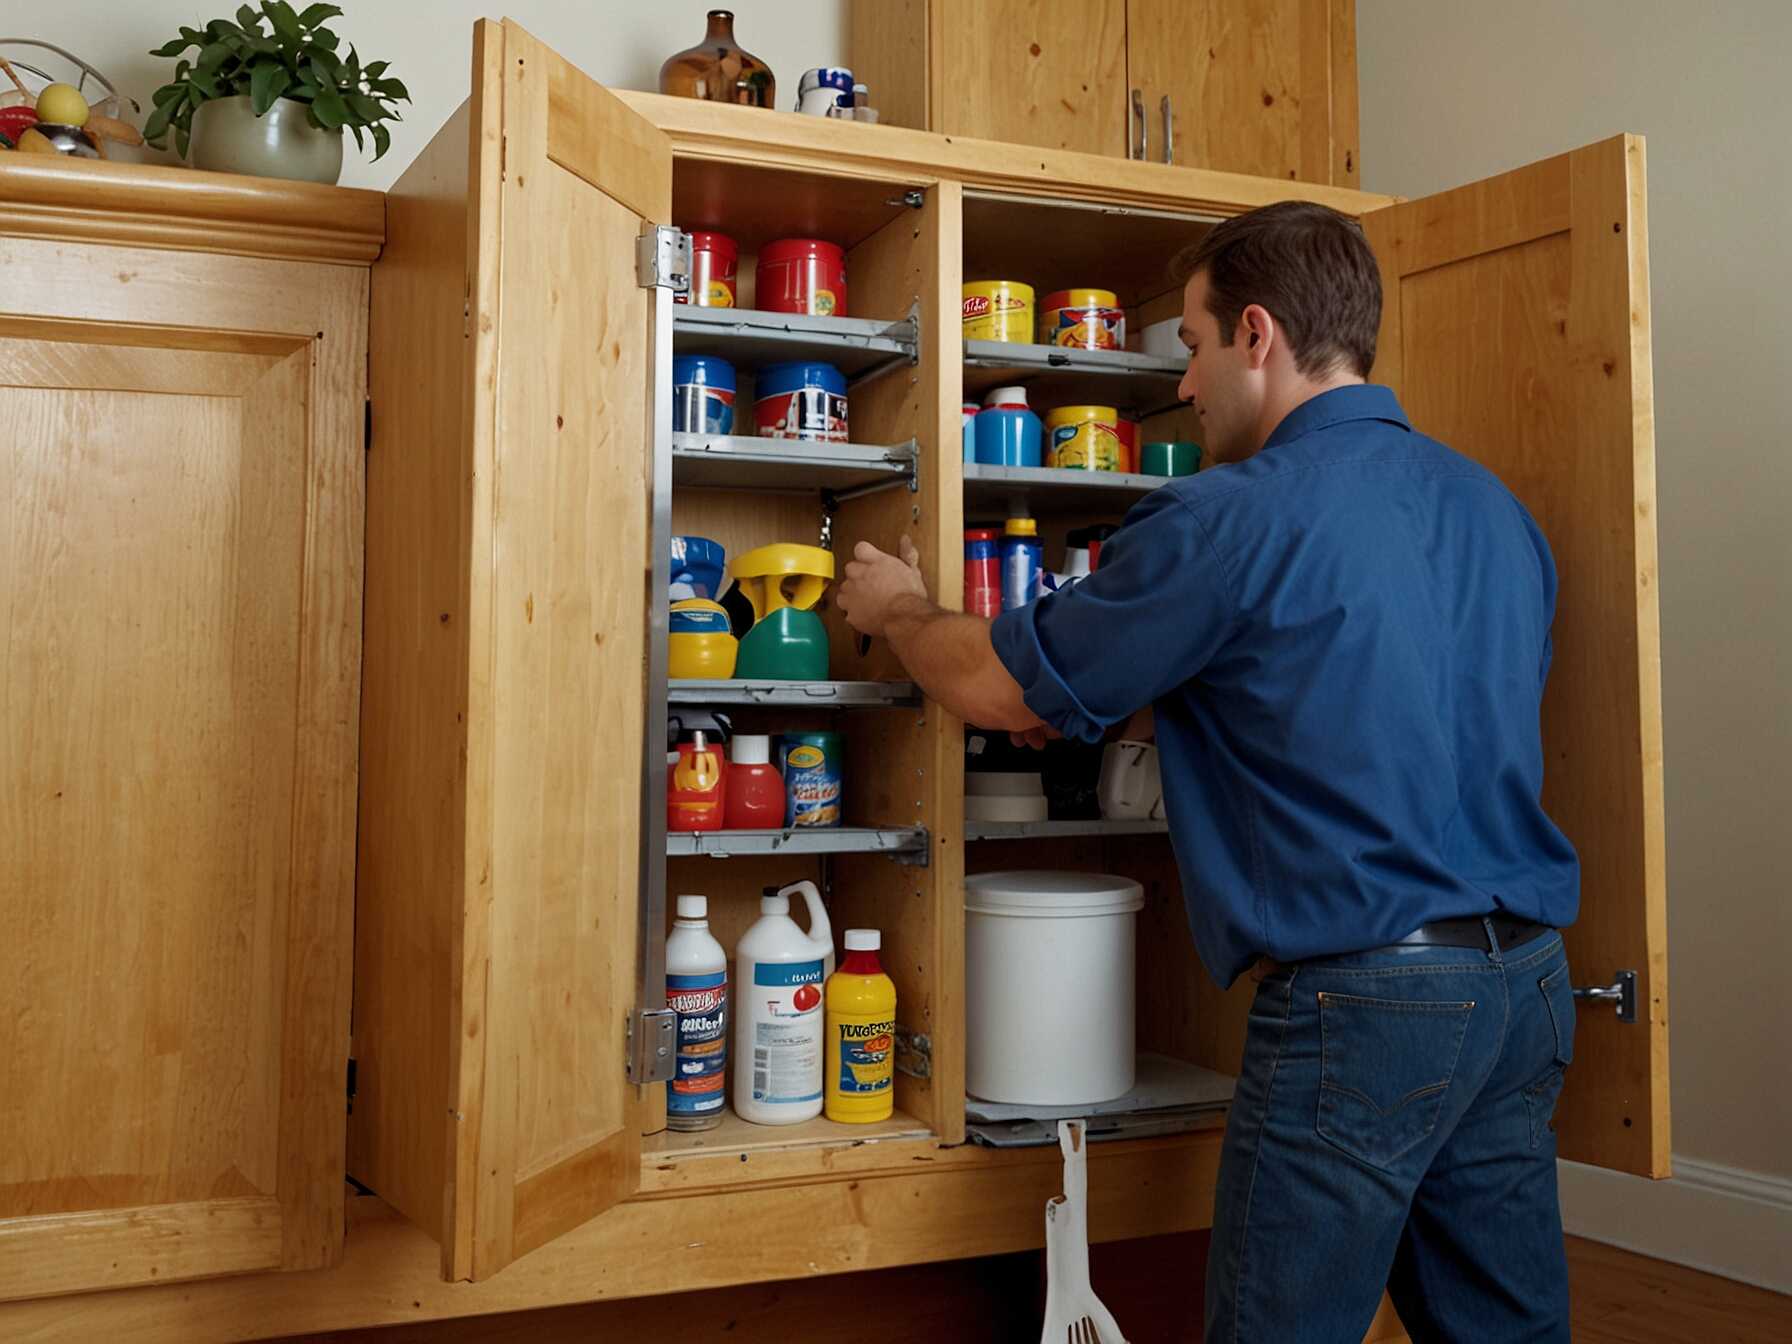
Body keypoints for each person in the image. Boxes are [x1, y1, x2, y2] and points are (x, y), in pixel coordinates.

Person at [835, 201, 1582, 1343]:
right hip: (1522, 982)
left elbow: (995, 687)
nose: (1182, 387)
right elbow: (1364, 690)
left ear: (1257, 334)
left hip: (1363, 998)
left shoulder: (1226, 519)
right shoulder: (1495, 511)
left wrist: (897, 607)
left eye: (1187, 346)